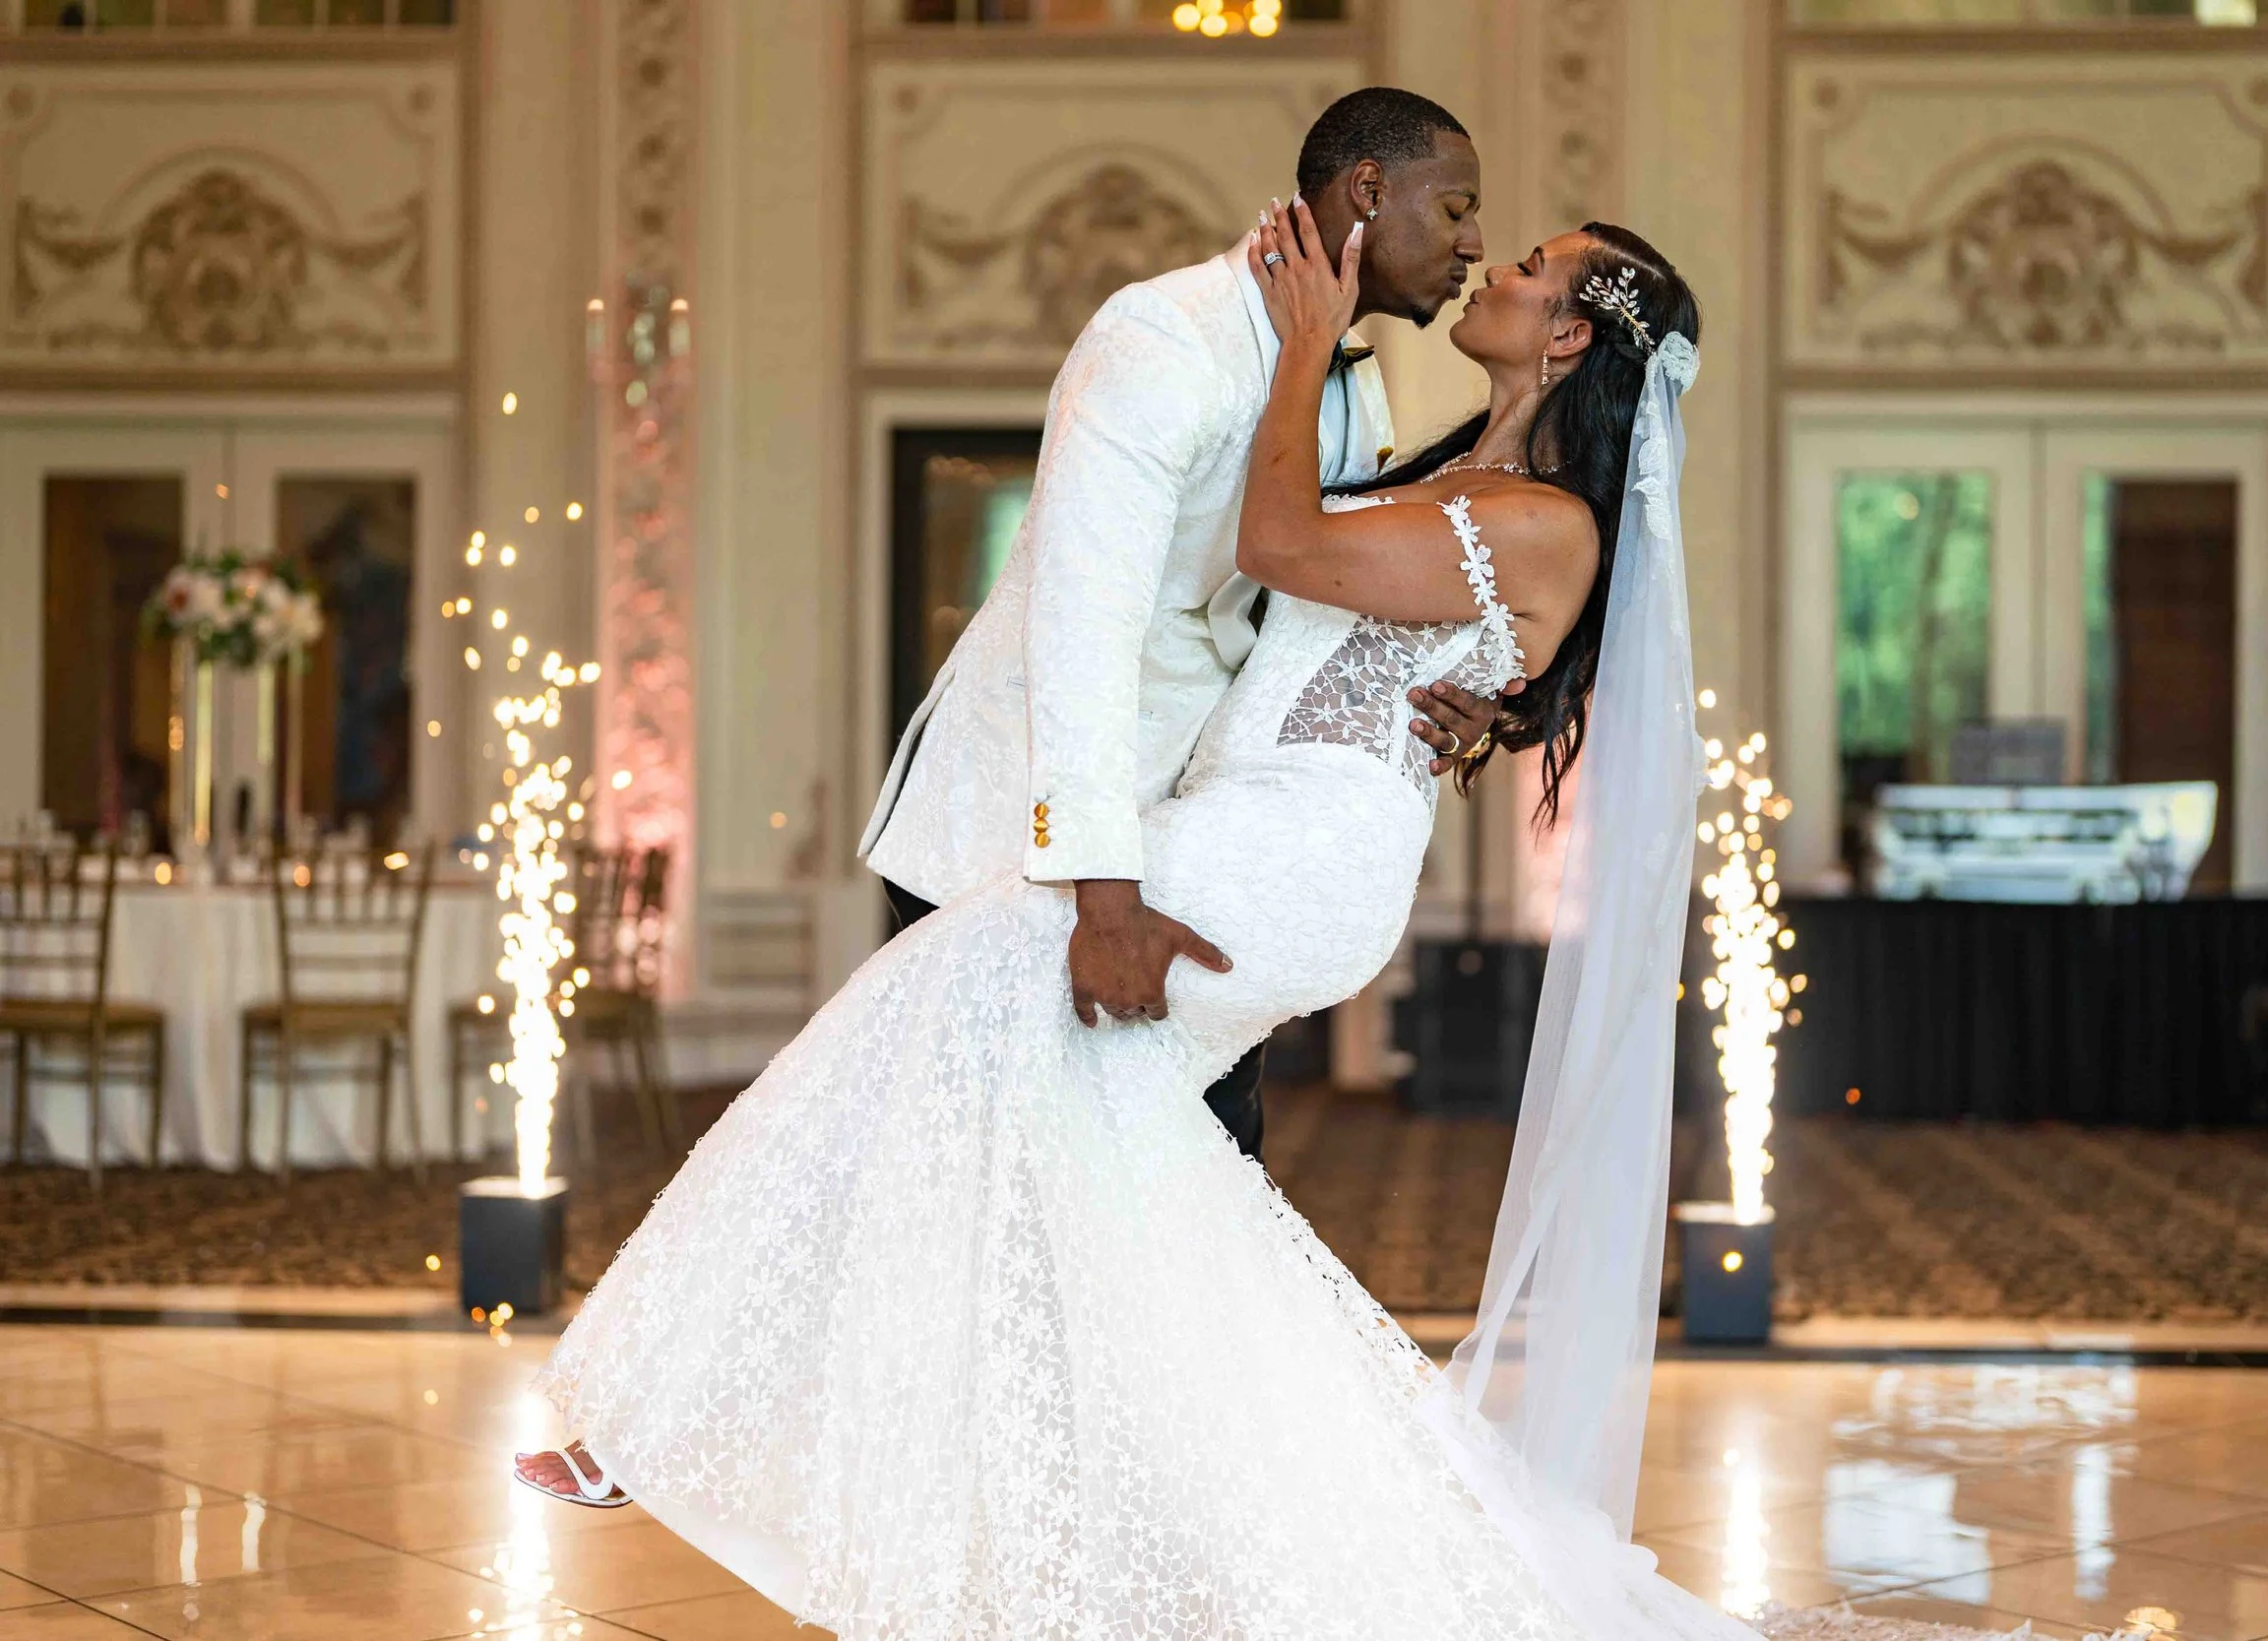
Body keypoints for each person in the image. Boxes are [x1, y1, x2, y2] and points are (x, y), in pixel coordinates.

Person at [516, 188, 1745, 1640]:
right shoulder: (1433, 466)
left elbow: (1281, 544)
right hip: (1223, 822)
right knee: (1097, 1177)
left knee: (941, 998)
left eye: (1534, 265)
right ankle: (1144, 1556)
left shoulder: (1542, 522)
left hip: (1289, 858)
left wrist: (1299, 344)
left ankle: (659, 1413)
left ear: (1568, 344)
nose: (1498, 258)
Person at [854, 86, 1503, 1161]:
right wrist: (1104, 900)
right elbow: (1082, 616)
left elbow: (1307, 609)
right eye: (1455, 208)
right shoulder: (1162, 334)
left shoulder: (1343, 376)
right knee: (992, 1189)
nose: (1474, 243)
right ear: (1368, 189)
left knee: (1191, 1177)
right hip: (1019, 848)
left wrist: (1455, 697)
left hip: (1192, 844)